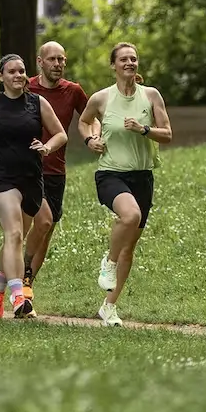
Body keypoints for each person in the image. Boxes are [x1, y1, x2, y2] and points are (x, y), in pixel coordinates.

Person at [0, 54, 68, 319]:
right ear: (1, 77)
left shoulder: (37, 103)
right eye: (11, 72)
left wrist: (47, 147)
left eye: (21, 71)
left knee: (27, 231)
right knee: (14, 232)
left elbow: (60, 134)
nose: (18, 75)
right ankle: (19, 298)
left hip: (30, 176)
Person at [77, 42, 173, 326]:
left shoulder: (151, 95)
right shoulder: (101, 98)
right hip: (111, 173)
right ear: (113, 65)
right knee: (130, 215)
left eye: (134, 59)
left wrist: (144, 129)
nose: (130, 63)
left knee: (129, 247)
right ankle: (108, 262)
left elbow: (167, 134)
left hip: (142, 175)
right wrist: (90, 140)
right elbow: (84, 122)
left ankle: (109, 307)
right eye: (124, 59)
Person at [23, 40, 90, 307]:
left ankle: (26, 285)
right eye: (52, 59)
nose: (58, 64)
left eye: (61, 60)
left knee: (46, 230)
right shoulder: (26, 86)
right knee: (30, 226)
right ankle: (18, 281)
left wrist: (92, 136)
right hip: (26, 170)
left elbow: (89, 116)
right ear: (40, 62)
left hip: (55, 170)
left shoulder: (73, 91)